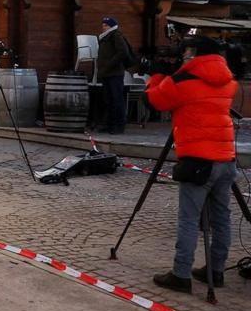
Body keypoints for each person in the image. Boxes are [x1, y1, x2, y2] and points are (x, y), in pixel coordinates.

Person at [146, 36, 237, 293]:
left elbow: (156, 100)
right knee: (222, 219)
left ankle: (181, 273)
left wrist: (157, 76)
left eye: (186, 52)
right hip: (225, 157)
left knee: (188, 219)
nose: (183, 56)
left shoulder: (183, 80)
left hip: (197, 161)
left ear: (195, 54)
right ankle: (216, 270)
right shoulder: (228, 81)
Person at [96, 17, 131, 134]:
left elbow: (123, 52)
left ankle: (118, 125)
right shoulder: (105, 37)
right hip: (107, 73)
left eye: (106, 25)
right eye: (103, 24)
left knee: (117, 99)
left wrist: (109, 64)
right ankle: (109, 124)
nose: (103, 26)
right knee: (108, 100)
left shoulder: (115, 35)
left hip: (114, 73)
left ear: (111, 26)